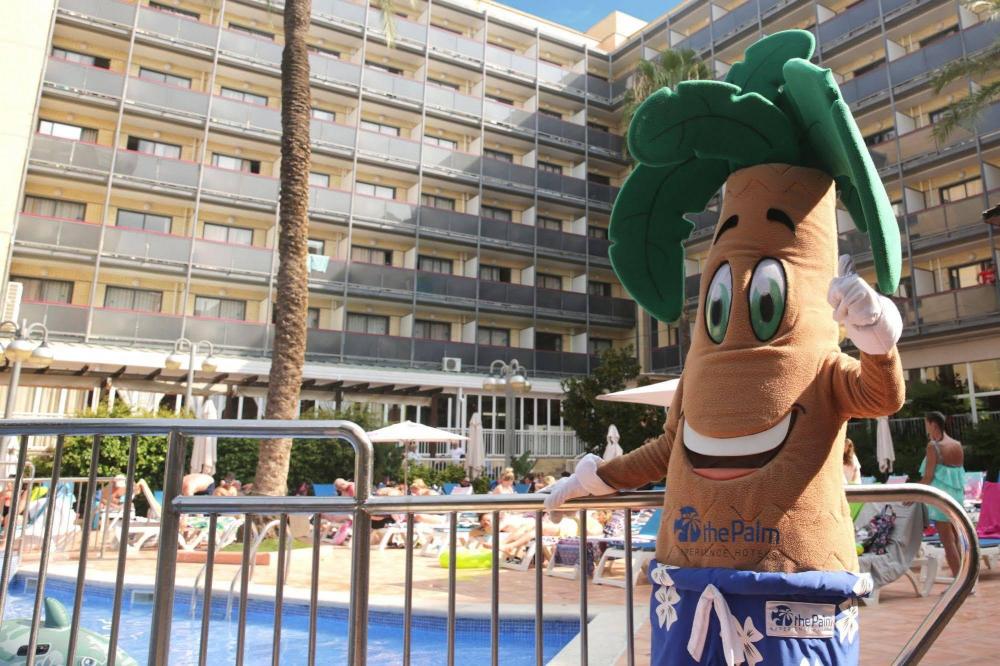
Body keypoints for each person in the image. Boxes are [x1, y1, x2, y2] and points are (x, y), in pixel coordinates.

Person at [918, 411, 966, 578]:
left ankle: (960, 582)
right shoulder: (957, 444)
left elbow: (928, 477)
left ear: (933, 424)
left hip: (941, 498)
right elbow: (959, 474)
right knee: (958, 539)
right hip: (957, 497)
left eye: (926, 423)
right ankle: (966, 578)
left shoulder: (933, 446)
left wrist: (912, 493)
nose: (926, 427)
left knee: (948, 541)